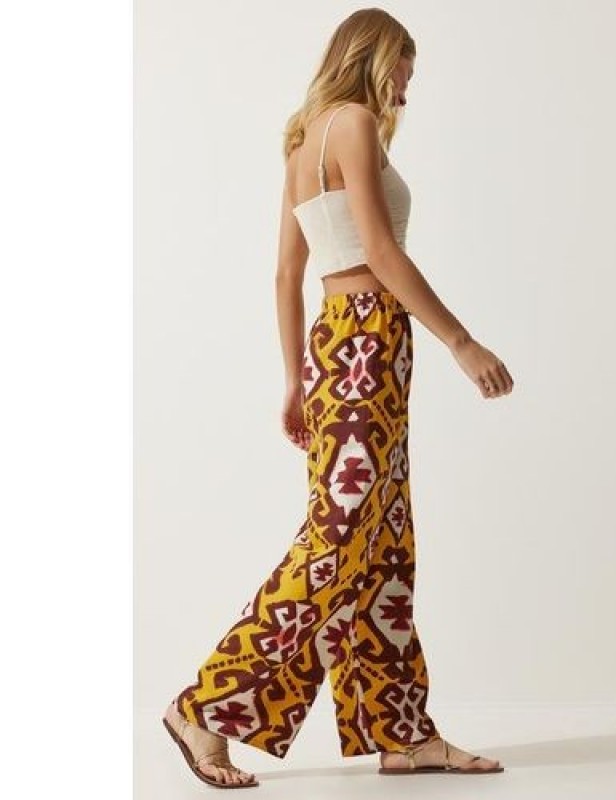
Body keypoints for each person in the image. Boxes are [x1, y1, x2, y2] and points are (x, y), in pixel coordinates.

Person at [162, 7, 514, 789]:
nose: (405, 91)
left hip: (333, 344)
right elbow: (381, 252)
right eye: (403, 73)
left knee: (381, 543)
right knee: (340, 539)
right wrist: (462, 341)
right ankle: (205, 706)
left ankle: (402, 733)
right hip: (370, 339)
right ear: (375, 57)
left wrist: (296, 379)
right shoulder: (354, 124)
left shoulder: (303, 139)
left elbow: (287, 274)